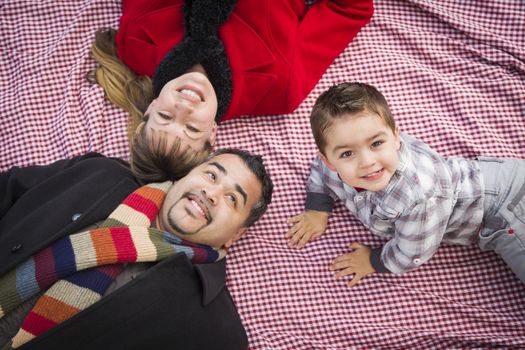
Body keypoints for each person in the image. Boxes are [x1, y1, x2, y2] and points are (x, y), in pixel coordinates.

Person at [0, 148, 273, 349]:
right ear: (185, 175)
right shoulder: (99, 173)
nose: (211, 194)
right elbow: (8, 189)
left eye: (232, 198)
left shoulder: (217, 332)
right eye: (211, 175)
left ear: (236, 234)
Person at [91, 0, 374, 178]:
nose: (183, 108)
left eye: (165, 117)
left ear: (151, 108)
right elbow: (351, 7)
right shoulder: (280, 88)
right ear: (212, 133)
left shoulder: (135, 44)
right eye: (191, 129)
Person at [287, 82, 525, 287]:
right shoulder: (332, 165)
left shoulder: (418, 196)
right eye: (348, 153)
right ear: (329, 160)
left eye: (376, 143)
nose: (368, 162)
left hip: (508, 206)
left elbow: (413, 252)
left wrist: (373, 260)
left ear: (396, 137)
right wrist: (318, 207)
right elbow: (321, 173)